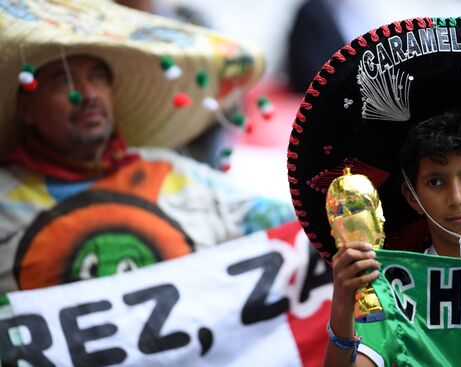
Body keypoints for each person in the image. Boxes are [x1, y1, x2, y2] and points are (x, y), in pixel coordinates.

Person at [286, 15, 461, 366]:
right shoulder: (389, 287)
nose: (456, 198)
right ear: (412, 195)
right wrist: (343, 304)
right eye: (436, 182)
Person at [0, 0, 294, 293]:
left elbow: (294, 223)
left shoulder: (175, 175)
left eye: (97, 77)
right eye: (63, 81)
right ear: (26, 107)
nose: (88, 94)